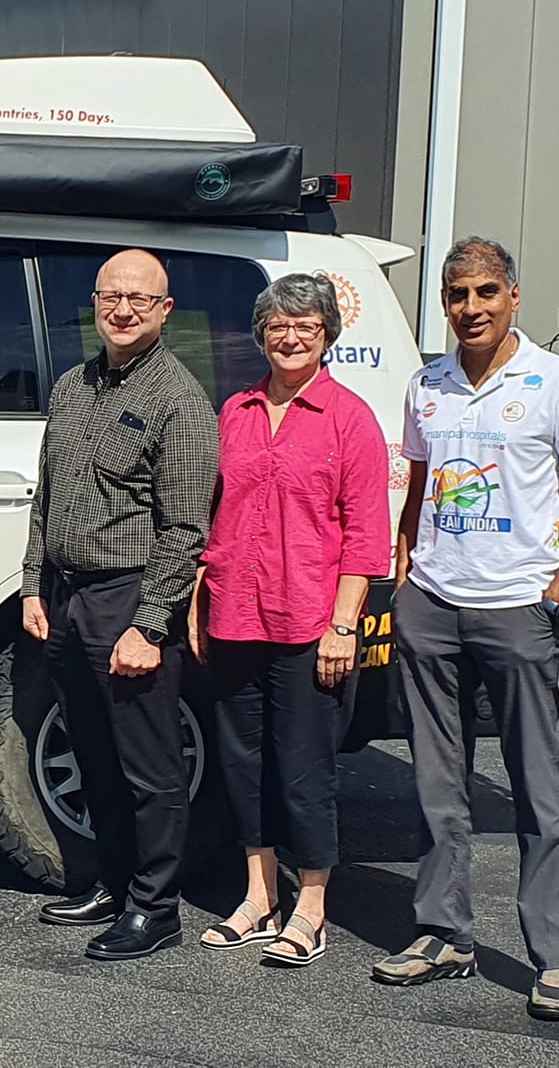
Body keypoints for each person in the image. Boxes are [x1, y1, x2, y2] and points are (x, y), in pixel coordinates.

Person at [371, 237, 559, 1021]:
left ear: (513, 294)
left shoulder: (557, 382)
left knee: (537, 790)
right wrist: (408, 581)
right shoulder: (428, 384)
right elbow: (415, 491)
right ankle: (445, 933)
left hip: (519, 610)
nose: (469, 307)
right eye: (455, 294)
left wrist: (551, 603)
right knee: (437, 784)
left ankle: (554, 956)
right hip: (434, 607)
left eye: (484, 291)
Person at [22, 248, 221, 960]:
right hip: (67, 598)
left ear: (165, 310)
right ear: (96, 302)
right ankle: (109, 880)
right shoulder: (73, 386)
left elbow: (186, 529)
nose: (125, 308)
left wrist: (150, 621)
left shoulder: (180, 400)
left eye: (141, 298)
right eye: (113, 295)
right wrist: (30, 585)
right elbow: (45, 495)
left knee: (149, 766)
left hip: (127, 597)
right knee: (93, 753)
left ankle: (155, 905)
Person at [190, 273, 391, 966]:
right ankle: (257, 894)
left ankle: (311, 905)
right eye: (278, 324)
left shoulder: (349, 418)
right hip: (235, 613)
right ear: (261, 335)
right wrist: (198, 598)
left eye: (305, 323)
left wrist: (343, 625)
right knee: (243, 765)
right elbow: (214, 513)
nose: (291, 335)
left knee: (304, 770)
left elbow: (367, 535)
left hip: (310, 623)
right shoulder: (236, 410)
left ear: (328, 332)